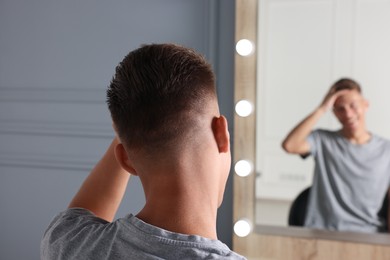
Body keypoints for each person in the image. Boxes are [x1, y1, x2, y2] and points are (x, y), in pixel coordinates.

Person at [40, 43, 246, 259]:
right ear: (222, 133)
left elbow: (80, 214)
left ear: (125, 160)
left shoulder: (69, 244)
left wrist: (130, 128)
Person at [282, 78, 390, 233]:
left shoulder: (386, 150)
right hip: (323, 233)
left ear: (365, 105)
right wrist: (322, 108)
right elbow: (290, 145)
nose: (348, 113)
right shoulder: (322, 140)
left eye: (353, 106)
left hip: (369, 234)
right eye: (340, 108)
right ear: (334, 112)